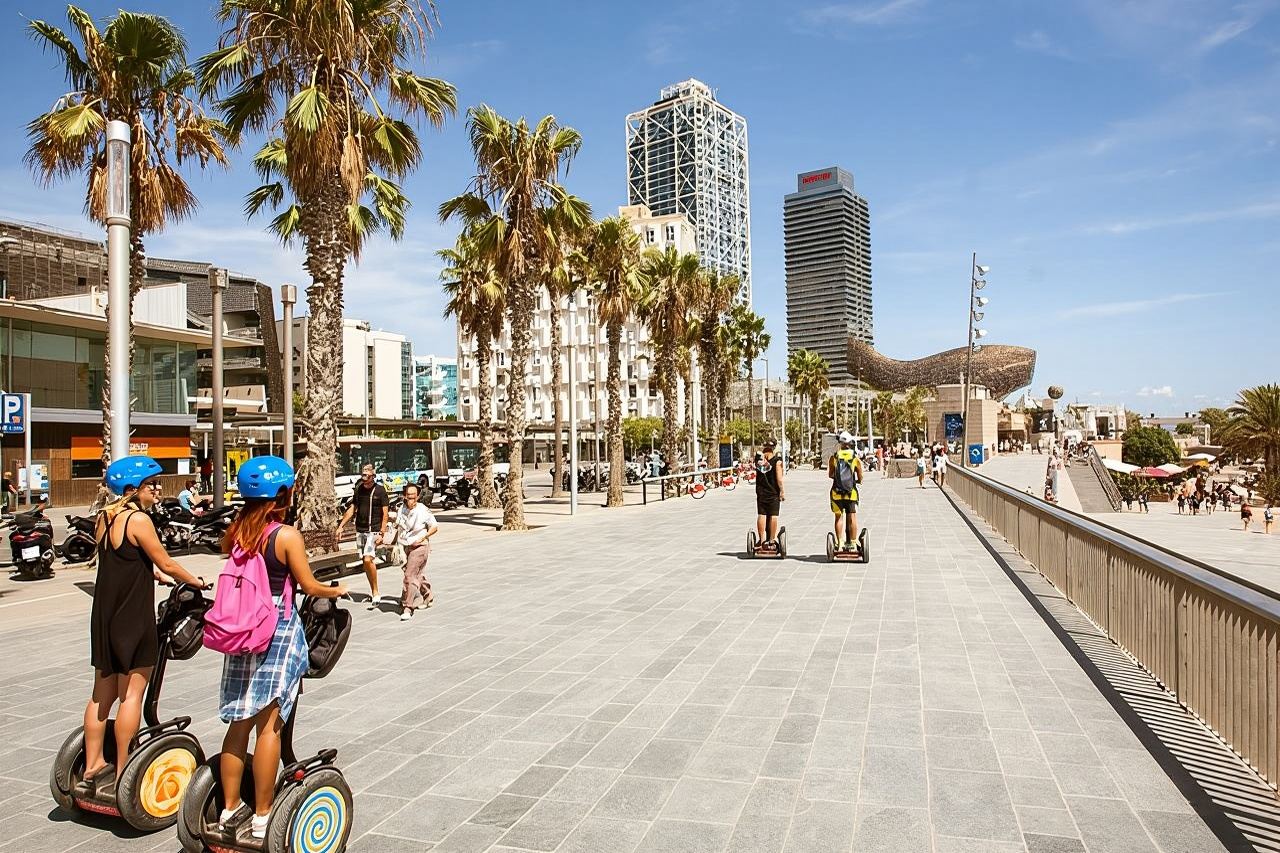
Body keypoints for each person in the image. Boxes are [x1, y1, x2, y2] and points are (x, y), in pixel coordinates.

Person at [216, 456, 347, 838]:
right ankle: (262, 815)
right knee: (270, 725)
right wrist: (335, 590)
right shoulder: (285, 535)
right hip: (275, 628)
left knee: (239, 721)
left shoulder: (237, 530)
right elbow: (308, 585)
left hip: (241, 629)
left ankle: (228, 809)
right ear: (283, 494)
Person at [79, 457, 205, 796]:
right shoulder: (139, 519)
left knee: (100, 696)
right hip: (132, 616)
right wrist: (197, 581)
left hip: (103, 616)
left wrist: (157, 575)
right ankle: (123, 770)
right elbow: (164, 559)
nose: (158, 489)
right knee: (131, 694)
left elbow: (127, 561)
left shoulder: (104, 519)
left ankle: (92, 764)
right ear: (133, 490)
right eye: (153, 485)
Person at [335, 463, 389, 608]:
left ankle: (376, 592)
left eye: (366, 475)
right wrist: (341, 526)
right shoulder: (359, 489)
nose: (364, 477)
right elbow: (353, 508)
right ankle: (373, 590)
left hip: (374, 530)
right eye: (362, 474)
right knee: (366, 562)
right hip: (361, 530)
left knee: (367, 559)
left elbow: (385, 514)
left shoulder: (380, 490)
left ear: (373, 476)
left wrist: (382, 533)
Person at [393, 483, 439, 621]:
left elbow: (435, 527)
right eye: (408, 496)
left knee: (409, 575)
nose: (411, 499)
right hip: (405, 546)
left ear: (418, 496)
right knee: (416, 574)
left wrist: (423, 537)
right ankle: (428, 595)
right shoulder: (402, 509)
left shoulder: (423, 510)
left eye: (413, 496)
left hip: (420, 546)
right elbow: (400, 526)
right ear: (404, 496)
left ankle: (408, 607)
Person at [828, 431, 864, 548]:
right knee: (852, 516)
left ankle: (840, 542)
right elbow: (860, 476)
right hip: (851, 493)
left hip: (836, 492)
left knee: (839, 517)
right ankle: (853, 543)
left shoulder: (834, 457)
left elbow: (830, 474)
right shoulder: (854, 458)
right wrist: (858, 481)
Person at [754, 439, 785, 546]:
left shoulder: (758, 460)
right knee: (773, 515)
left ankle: (762, 540)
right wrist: (782, 491)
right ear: (774, 448)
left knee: (762, 514)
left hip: (761, 492)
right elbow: (779, 479)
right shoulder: (777, 461)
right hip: (773, 492)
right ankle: (771, 540)